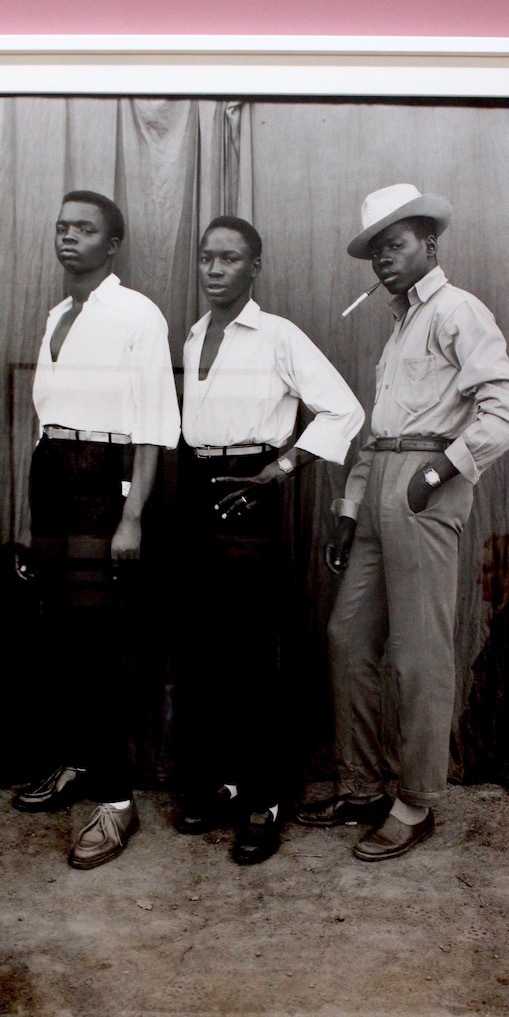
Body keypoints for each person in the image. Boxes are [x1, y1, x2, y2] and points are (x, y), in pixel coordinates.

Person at [298, 184, 509, 860]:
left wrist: (439, 472)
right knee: (347, 637)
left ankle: (416, 800)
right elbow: (381, 434)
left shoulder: (458, 311)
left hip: (428, 485)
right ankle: (362, 785)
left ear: (429, 243)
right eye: (376, 250)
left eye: (394, 245)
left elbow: (507, 412)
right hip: (381, 484)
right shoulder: (400, 327)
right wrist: (350, 511)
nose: (383, 260)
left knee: (419, 652)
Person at [175, 215, 364, 864]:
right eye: (207, 257)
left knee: (254, 653)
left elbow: (344, 408)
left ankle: (267, 797)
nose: (214, 268)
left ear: (254, 267)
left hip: (252, 490)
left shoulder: (278, 334)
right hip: (197, 487)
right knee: (206, 652)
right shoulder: (195, 334)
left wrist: (279, 469)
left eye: (230, 258)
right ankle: (226, 782)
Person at [12, 190, 180, 870]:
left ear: (112, 245)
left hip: (103, 480)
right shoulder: (58, 314)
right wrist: (34, 507)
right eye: (62, 227)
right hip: (52, 473)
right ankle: (78, 763)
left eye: (84, 229)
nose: (68, 237)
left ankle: (115, 800)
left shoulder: (137, 313)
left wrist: (130, 516)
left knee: (97, 642)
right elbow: (45, 421)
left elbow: (155, 427)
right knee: (59, 634)